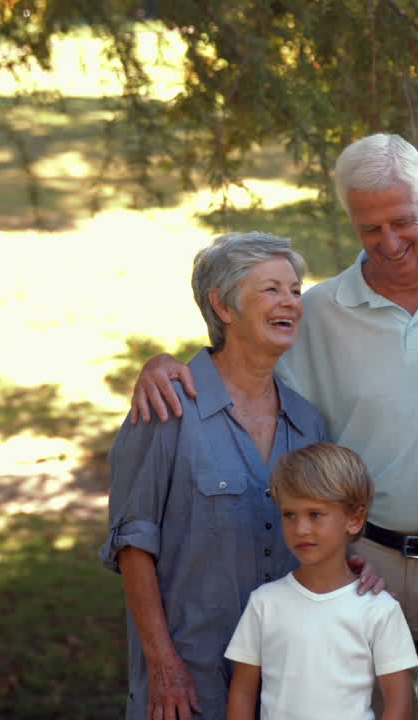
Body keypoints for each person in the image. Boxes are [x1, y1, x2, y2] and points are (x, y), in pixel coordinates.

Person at [129, 133, 418, 719]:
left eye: (402, 220)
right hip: (358, 571)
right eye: (369, 229)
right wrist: (166, 366)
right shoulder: (319, 311)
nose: (390, 243)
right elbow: (243, 360)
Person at [101, 232, 331, 720]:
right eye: (271, 289)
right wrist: (163, 667)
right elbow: (133, 546)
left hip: (288, 684)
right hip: (189, 683)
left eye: (294, 289)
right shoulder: (165, 409)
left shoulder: (308, 423)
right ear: (222, 306)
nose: (290, 301)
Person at [225, 442, 418, 720]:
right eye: (289, 514)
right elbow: (243, 693)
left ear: (355, 519)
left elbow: (399, 706)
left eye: (315, 514)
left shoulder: (379, 609)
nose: (301, 528)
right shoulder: (264, 603)